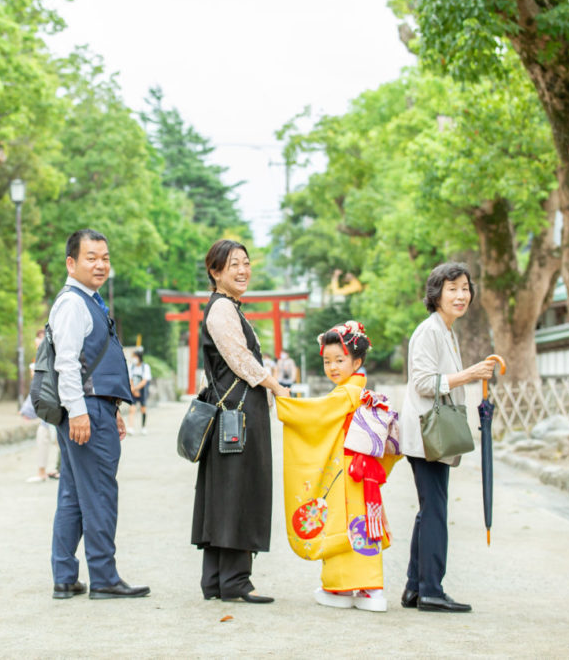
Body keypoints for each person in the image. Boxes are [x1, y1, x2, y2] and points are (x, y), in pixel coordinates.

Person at [48, 229, 149, 601]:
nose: (101, 264)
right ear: (71, 262)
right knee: (101, 493)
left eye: (105, 257)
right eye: (91, 257)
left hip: (93, 407)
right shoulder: (74, 303)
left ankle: (64, 576)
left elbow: (94, 362)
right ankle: (104, 578)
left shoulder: (87, 300)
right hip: (85, 412)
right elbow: (67, 363)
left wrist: (113, 408)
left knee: (74, 495)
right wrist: (79, 412)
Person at [276, 321, 402, 613]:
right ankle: (371, 588)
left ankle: (342, 588)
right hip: (361, 471)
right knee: (363, 523)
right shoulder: (355, 390)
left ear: (357, 361)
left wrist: (287, 403)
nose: (332, 367)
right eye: (327, 361)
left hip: (350, 470)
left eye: (340, 360)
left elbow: (317, 414)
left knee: (342, 522)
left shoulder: (347, 394)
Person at [191, 239, 290, 604]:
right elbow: (239, 359)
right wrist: (277, 386)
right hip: (238, 416)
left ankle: (217, 579)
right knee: (237, 491)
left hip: (232, 414)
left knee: (226, 492)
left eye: (246, 263)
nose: (243, 270)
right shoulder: (221, 310)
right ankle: (235, 581)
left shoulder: (227, 308)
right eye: (233, 264)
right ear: (215, 272)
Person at [398, 262, 497, 613]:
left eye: (465, 288)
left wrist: (467, 376)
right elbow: (423, 382)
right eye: (452, 288)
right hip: (427, 433)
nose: (461, 295)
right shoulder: (429, 331)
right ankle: (431, 590)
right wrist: (469, 374)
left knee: (430, 510)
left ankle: (415, 587)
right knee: (436, 510)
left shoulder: (445, 330)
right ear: (436, 293)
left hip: (433, 432)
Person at [25, 329, 59, 483]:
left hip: (57, 403)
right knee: (43, 435)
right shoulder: (37, 359)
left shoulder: (56, 354)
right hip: (46, 404)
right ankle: (42, 471)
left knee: (59, 439)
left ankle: (59, 469)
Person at [127, 350, 152, 435]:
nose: (133, 359)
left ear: (139, 357)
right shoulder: (131, 367)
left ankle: (143, 427)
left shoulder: (145, 367)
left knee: (143, 409)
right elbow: (130, 379)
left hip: (142, 390)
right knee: (131, 409)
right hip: (133, 389)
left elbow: (145, 381)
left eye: (135, 356)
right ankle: (130, 427)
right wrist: (132, 389)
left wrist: (136, 388)